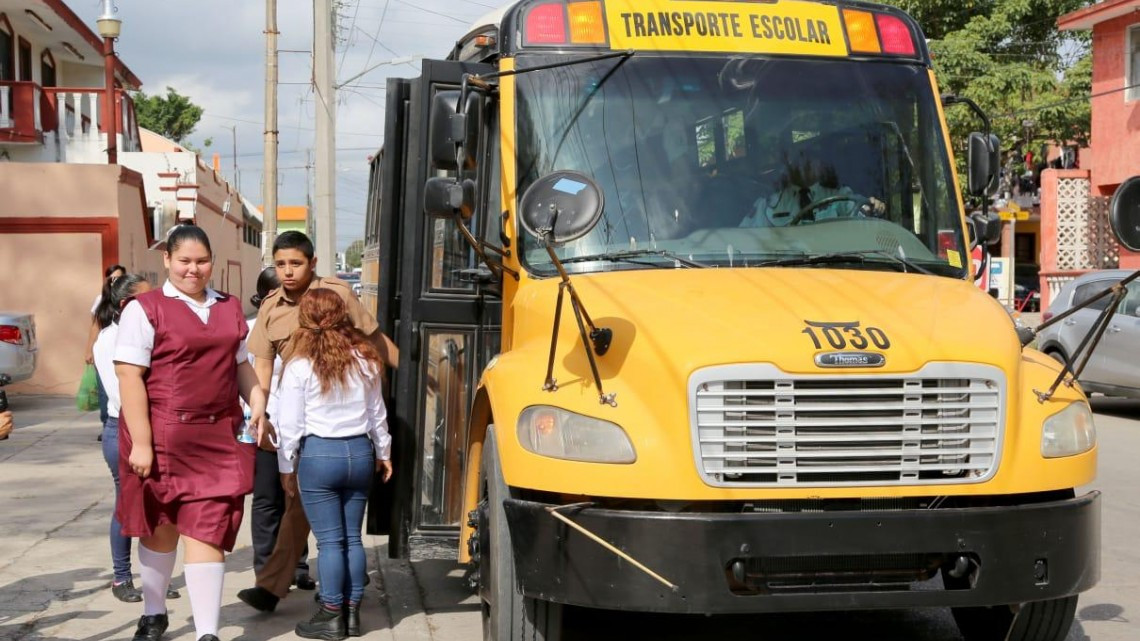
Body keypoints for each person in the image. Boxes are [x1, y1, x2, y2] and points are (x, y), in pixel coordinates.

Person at [114, 225, 268, 641]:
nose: (193, 269)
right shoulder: (144, 308)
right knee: (160, 528)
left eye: (201, 261)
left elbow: (240, 365)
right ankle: (153, 612)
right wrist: (142, 443)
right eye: (184, 261)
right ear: (167, 260)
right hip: (161, 436)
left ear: (211, 263)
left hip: (218, 437)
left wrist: (256, 400)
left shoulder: (229, 307)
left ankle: (207, 632)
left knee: (208, 529)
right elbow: (129, 375)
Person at [238, 231, 397, 614]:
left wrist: (412, 378)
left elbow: (374, 340)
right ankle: (308, 588)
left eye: (295, 263)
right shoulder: (271, 308)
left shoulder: (336, 295)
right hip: (300, 421)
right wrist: (262, 417)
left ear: (312, 263)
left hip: (341, 423)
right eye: (280, 264)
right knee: (306, 514)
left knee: (321, 522)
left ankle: (312, 595)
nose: (288, 272)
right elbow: (263, 370)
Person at [276, 288, 393, 639]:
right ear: (342, 316)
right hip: (359, 453)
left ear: (304, 319)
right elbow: (377, 414)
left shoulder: (299, 366)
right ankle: (352, 612)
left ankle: (330, 612)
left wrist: (287, 466)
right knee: (351, 539)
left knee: (329, 542)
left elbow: (290, 425)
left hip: (320, 455)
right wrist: (384, 453)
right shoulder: (366, 360)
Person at [93, 273, 183, 604]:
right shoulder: (111, 339)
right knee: (127, 506)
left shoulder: (140, 333)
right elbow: (126, 392)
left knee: (153, 507)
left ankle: (153, 580)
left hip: (144, 426)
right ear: (124, 305)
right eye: (145, 299)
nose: (153, 304)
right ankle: (121, 577)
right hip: (124, 427)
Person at [246, 266, 315, 591]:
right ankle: (265, 571)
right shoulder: (248, 332)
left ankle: (297, 566)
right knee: (266, 501)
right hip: (262, 425)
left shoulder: (309, 331)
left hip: (300, 426)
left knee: (295, 498)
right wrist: (256, 419)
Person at [740, 157, 885, 227]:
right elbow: (746, 238)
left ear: (820, 165)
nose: (805, 167)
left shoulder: (838, 196)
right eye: (800, 161)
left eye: (811, 161)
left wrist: (870, 208)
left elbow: (859, 212)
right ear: (790, 167)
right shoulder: (769, 204)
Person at [88, 264, 126, 441]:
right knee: (104, 392)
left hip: (124, 353)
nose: (115, 281)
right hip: (105, 354)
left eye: (119, 278)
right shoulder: (101, 301)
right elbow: (95, 326)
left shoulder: (129, 299)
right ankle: (107, 426)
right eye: (113, 279)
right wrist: (89, 350)